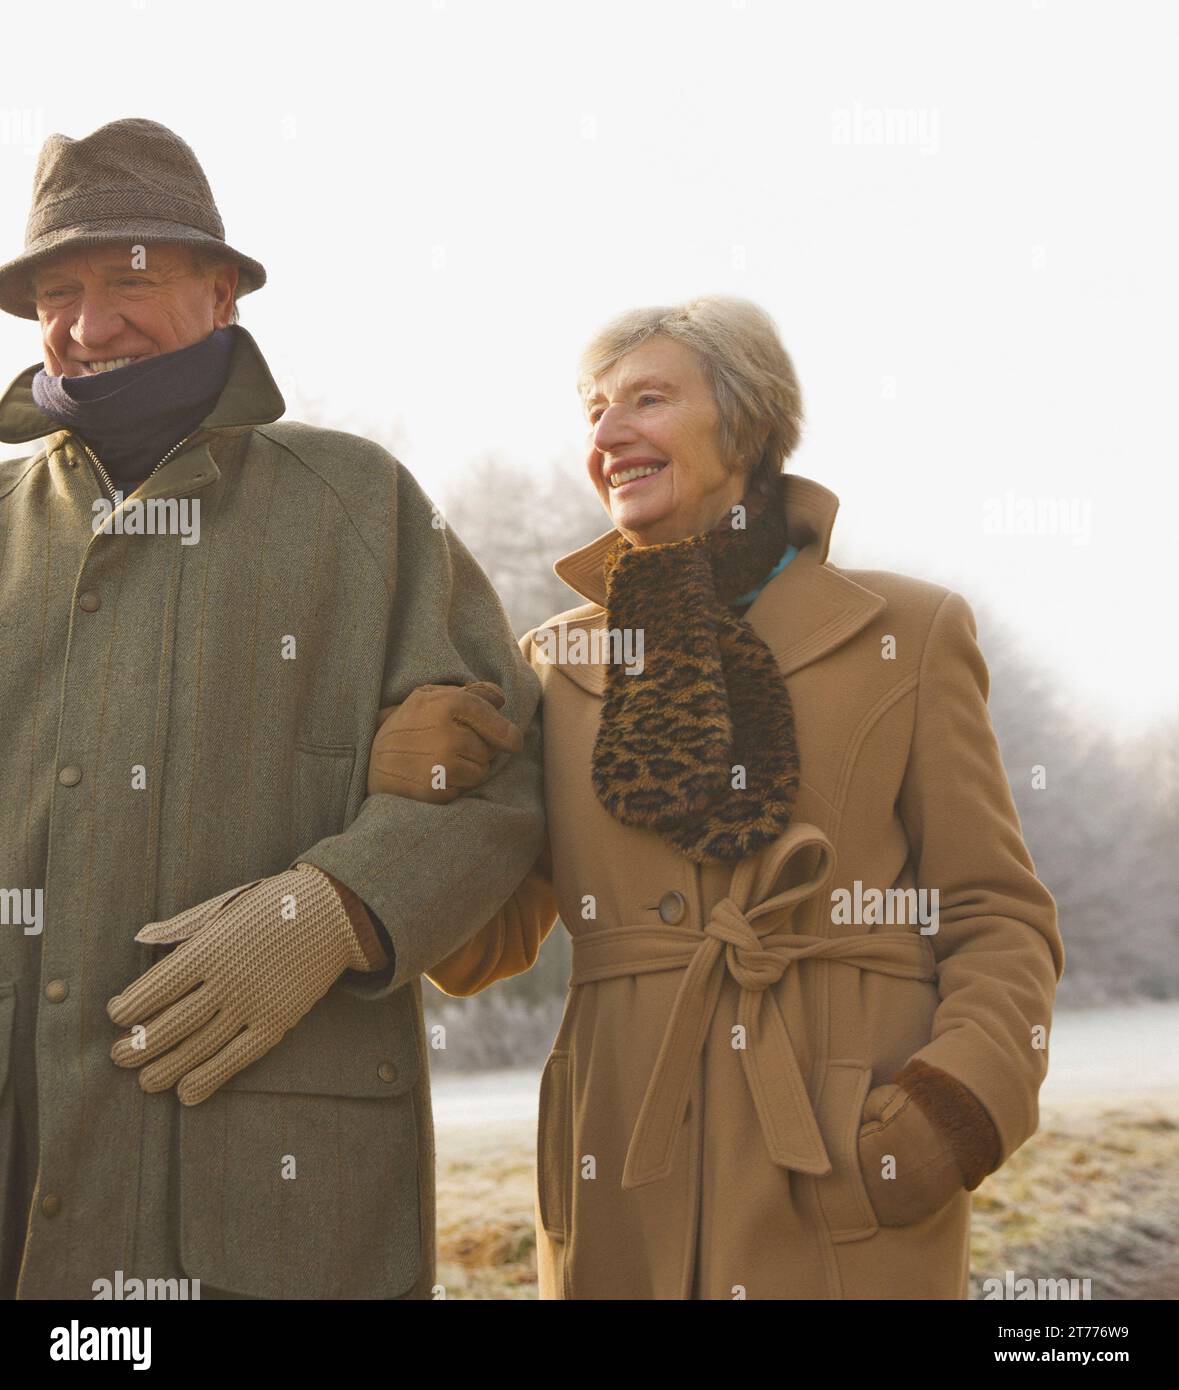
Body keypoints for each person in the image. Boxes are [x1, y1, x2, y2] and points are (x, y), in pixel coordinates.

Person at [368, 295, 1065, 1299]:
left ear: (744, 420)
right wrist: (410, 784)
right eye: (593, 410)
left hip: (840, 1164)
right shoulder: (555, 666)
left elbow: (998, 912)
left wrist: (954, 1108)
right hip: (621, 1167)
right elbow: (486, 944)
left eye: (646, 399)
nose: (608, 435)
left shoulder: (907, 635)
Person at [0, 117, 544, 1300]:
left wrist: (345, 904)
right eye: (60, 291)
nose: (91, 325)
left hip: (275, 1216)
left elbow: (500, 776)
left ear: (224, 293)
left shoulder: (358, 505)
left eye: (132, 280)